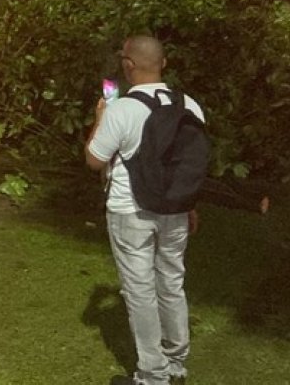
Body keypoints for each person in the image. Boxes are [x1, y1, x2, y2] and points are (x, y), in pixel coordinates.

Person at [86, 35, 204, 385]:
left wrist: (99, 117)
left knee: (140, 291)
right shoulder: (191, 106)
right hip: (176, 208)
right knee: (171, 282)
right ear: (163, 63)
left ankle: (152, 376)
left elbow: (94, 160)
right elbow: (188, 163)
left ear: (128, 65)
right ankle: (176, 364)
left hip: (130, 210)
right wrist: (190, 204)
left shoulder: (121, 109)